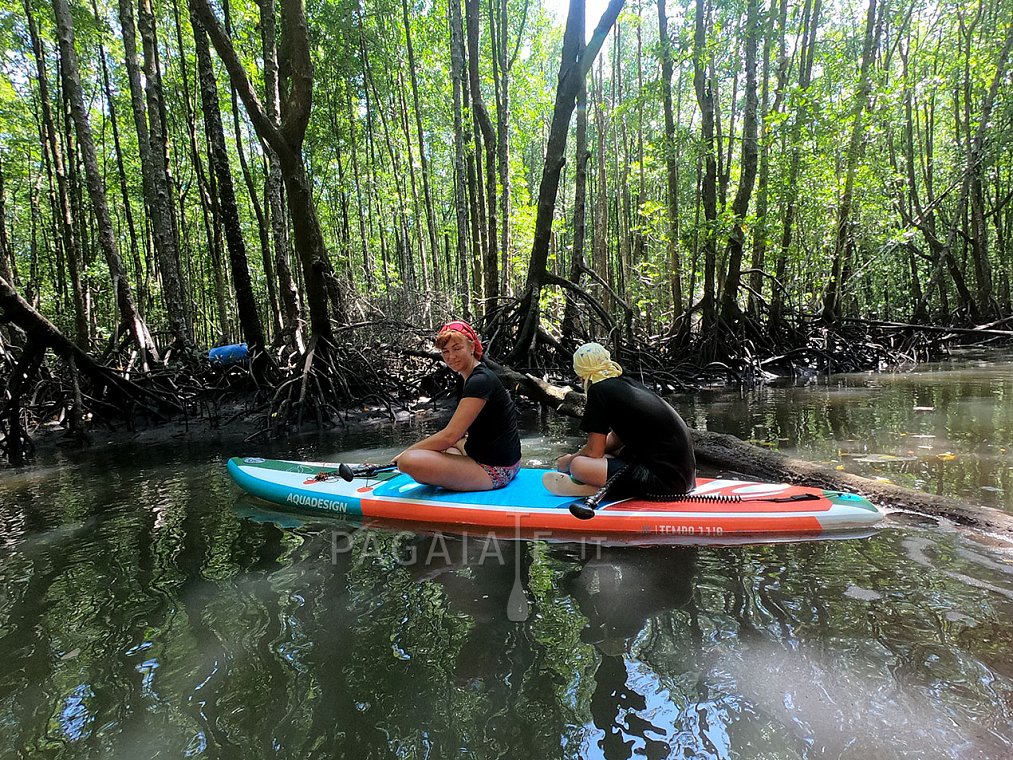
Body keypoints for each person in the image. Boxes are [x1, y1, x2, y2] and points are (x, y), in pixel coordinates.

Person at [551, 342, 696, 498]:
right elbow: (615, 440)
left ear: (581, 375)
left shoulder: (598, 390)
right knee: (607, 455)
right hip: (684, 478)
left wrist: (568, 461)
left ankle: (590, 490)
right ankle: (598, 483)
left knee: (578, 466)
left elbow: (594, 452)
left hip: (666, 484)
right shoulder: (626, 383)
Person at [394, 321, 522, 491]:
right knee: (448, 447)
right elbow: (457, 437)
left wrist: (403, 454)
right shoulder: (466, 378)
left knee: (408, 461)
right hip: (505, 461)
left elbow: (449, 436)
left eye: (457, 348)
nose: (450, 356)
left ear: (472, 346)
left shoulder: (480, 380)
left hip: (496, 470)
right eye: (445, 351)